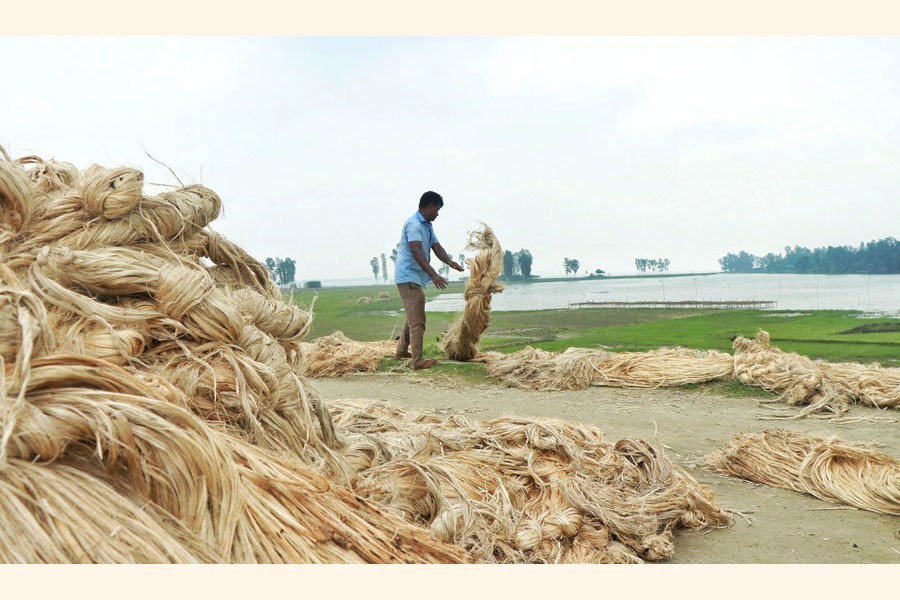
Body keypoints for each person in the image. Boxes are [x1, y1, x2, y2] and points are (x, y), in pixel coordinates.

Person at [394, 191, 464, 369]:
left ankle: (402, 350)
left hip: (415, 277)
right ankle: (417, 361)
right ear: (430, 206)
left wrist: (449, 262)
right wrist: (433, 274)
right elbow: (417, 251)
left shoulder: (427, 226)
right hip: (407, 276)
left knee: (413, 313)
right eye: (437, 209)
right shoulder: (414, 224)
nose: (438, 214)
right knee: (418, 320)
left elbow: (436, 246)